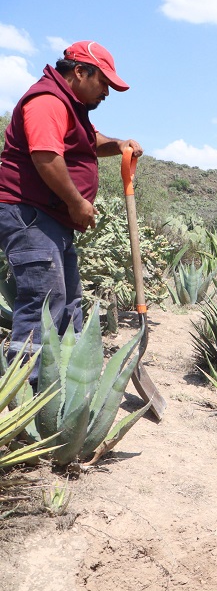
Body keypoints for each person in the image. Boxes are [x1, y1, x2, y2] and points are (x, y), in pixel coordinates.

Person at [0, 41, 140, 380]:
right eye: (103, 82)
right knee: (43, 303)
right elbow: (46, 157)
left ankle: (67, 384)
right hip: (29, 215)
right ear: (79, 71)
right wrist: (77, 203)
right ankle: (26, 399)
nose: (107, 92)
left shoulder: (69, 107)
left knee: (68, 302)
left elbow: (90, 140)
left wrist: (119, 144)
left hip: (50, 219)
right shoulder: (47, 101)